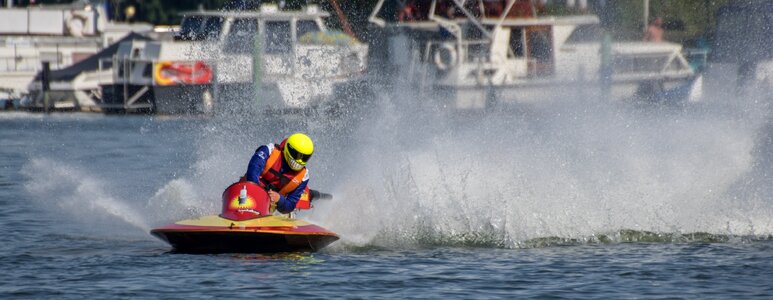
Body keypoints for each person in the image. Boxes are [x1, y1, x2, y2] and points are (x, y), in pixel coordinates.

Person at [244, 133, 314, 214]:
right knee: (245, 183)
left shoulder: (304, 176)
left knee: (294, 204)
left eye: (304, 157)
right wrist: (258, 192)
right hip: (250, 193)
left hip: (273, 206)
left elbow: (290, 205)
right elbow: (253, 169)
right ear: (289, 149)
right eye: (297, 155)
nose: (300, 160)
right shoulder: (269, 150)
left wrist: (279, 199)